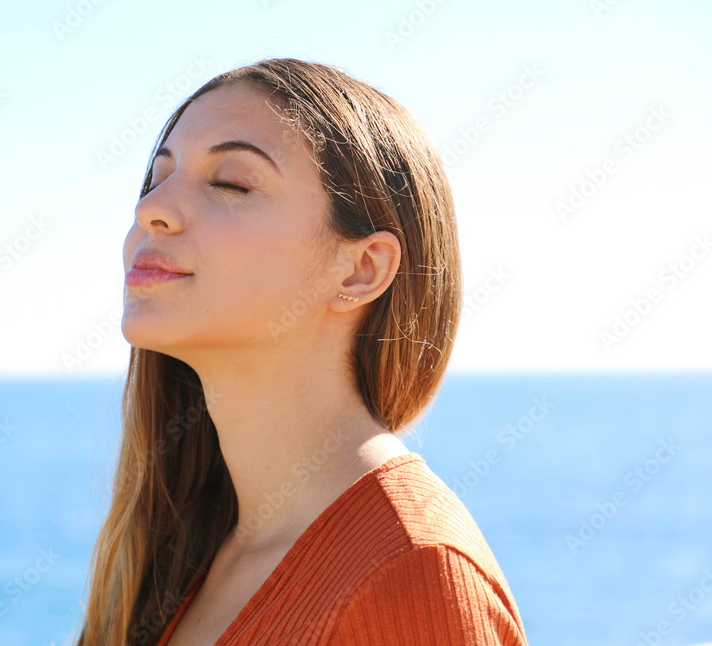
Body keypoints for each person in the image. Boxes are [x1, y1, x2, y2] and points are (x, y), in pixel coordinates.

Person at [73, 57, 529, 645]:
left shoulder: (414, 572)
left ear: (362, 270)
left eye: (231, 183)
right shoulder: (185, 551)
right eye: (156, 179)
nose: (149, 210)